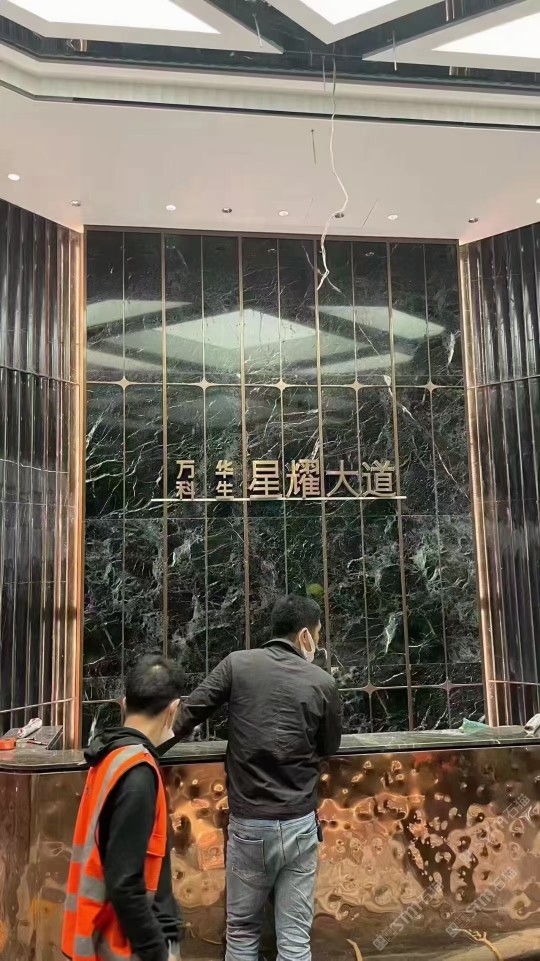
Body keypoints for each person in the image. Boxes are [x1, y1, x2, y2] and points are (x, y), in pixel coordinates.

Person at [172, 594, 342, 961]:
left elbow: (186, 716)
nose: (317, 641)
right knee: (295, 939)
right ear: (305, 635)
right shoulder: (322, 682)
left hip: (249, 825)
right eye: (317, 633)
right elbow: (329, 746)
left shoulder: (237, 665)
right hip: (299, 824)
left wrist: (137, 745)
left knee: (242, 932)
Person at [62, 655, 184, 961]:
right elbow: (125, 883)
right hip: (121, 946)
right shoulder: (137, 773)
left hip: (101, 935)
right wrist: (157, 951)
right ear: (173, 710)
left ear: (123, 703)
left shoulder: (110, 756)